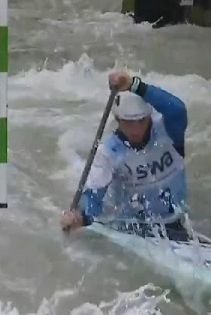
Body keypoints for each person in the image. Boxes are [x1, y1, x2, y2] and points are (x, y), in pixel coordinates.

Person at [60, 70, 190, 241]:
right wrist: (79, 218)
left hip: (174, 222)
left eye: (141, 121)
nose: (136, 130)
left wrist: (135, 85)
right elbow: (93, 201)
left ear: (150, 117)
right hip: (132, 227)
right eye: (128, 123)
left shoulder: (169, 131)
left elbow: (178, 109)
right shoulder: (108, 152)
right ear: (118, 120)